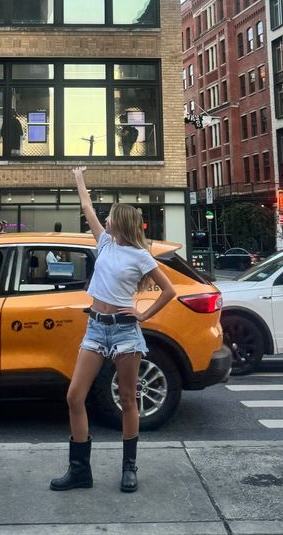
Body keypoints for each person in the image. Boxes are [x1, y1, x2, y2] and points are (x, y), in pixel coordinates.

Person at [50, 166, 175, 494]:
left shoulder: (139, 255)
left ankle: (129, 469)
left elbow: (169, 290)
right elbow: (88, 209)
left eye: (110, 217)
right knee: (75, 396)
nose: (104, 219)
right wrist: (79, 180)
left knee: (127, 399)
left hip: (124, 332)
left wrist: (142, 314)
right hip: (96, 328)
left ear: (120, 221)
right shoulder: (104, 243)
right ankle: (80, 471)